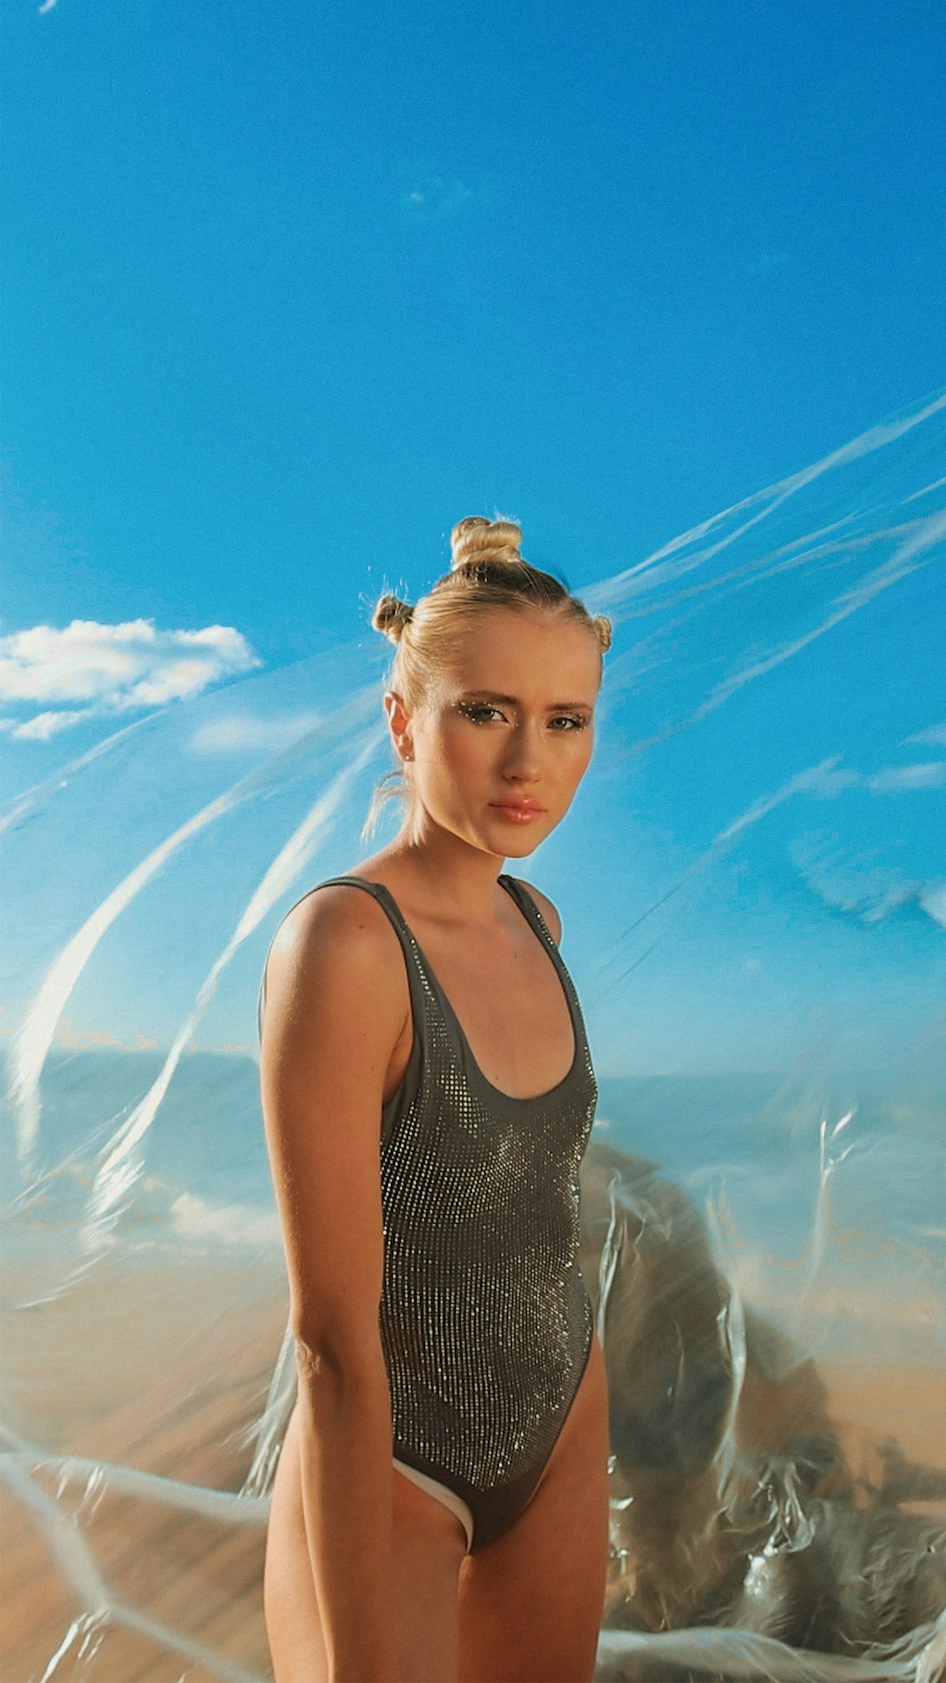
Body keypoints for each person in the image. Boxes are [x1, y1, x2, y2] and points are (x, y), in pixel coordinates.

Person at [257, 515, 614, 1683]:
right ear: (403, 719)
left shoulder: (538, 923)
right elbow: (329, 1343)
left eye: (565, 720)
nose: (528, 762)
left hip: (558, 1427)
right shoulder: (347, 945)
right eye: (484, 710)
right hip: (393, 1467)